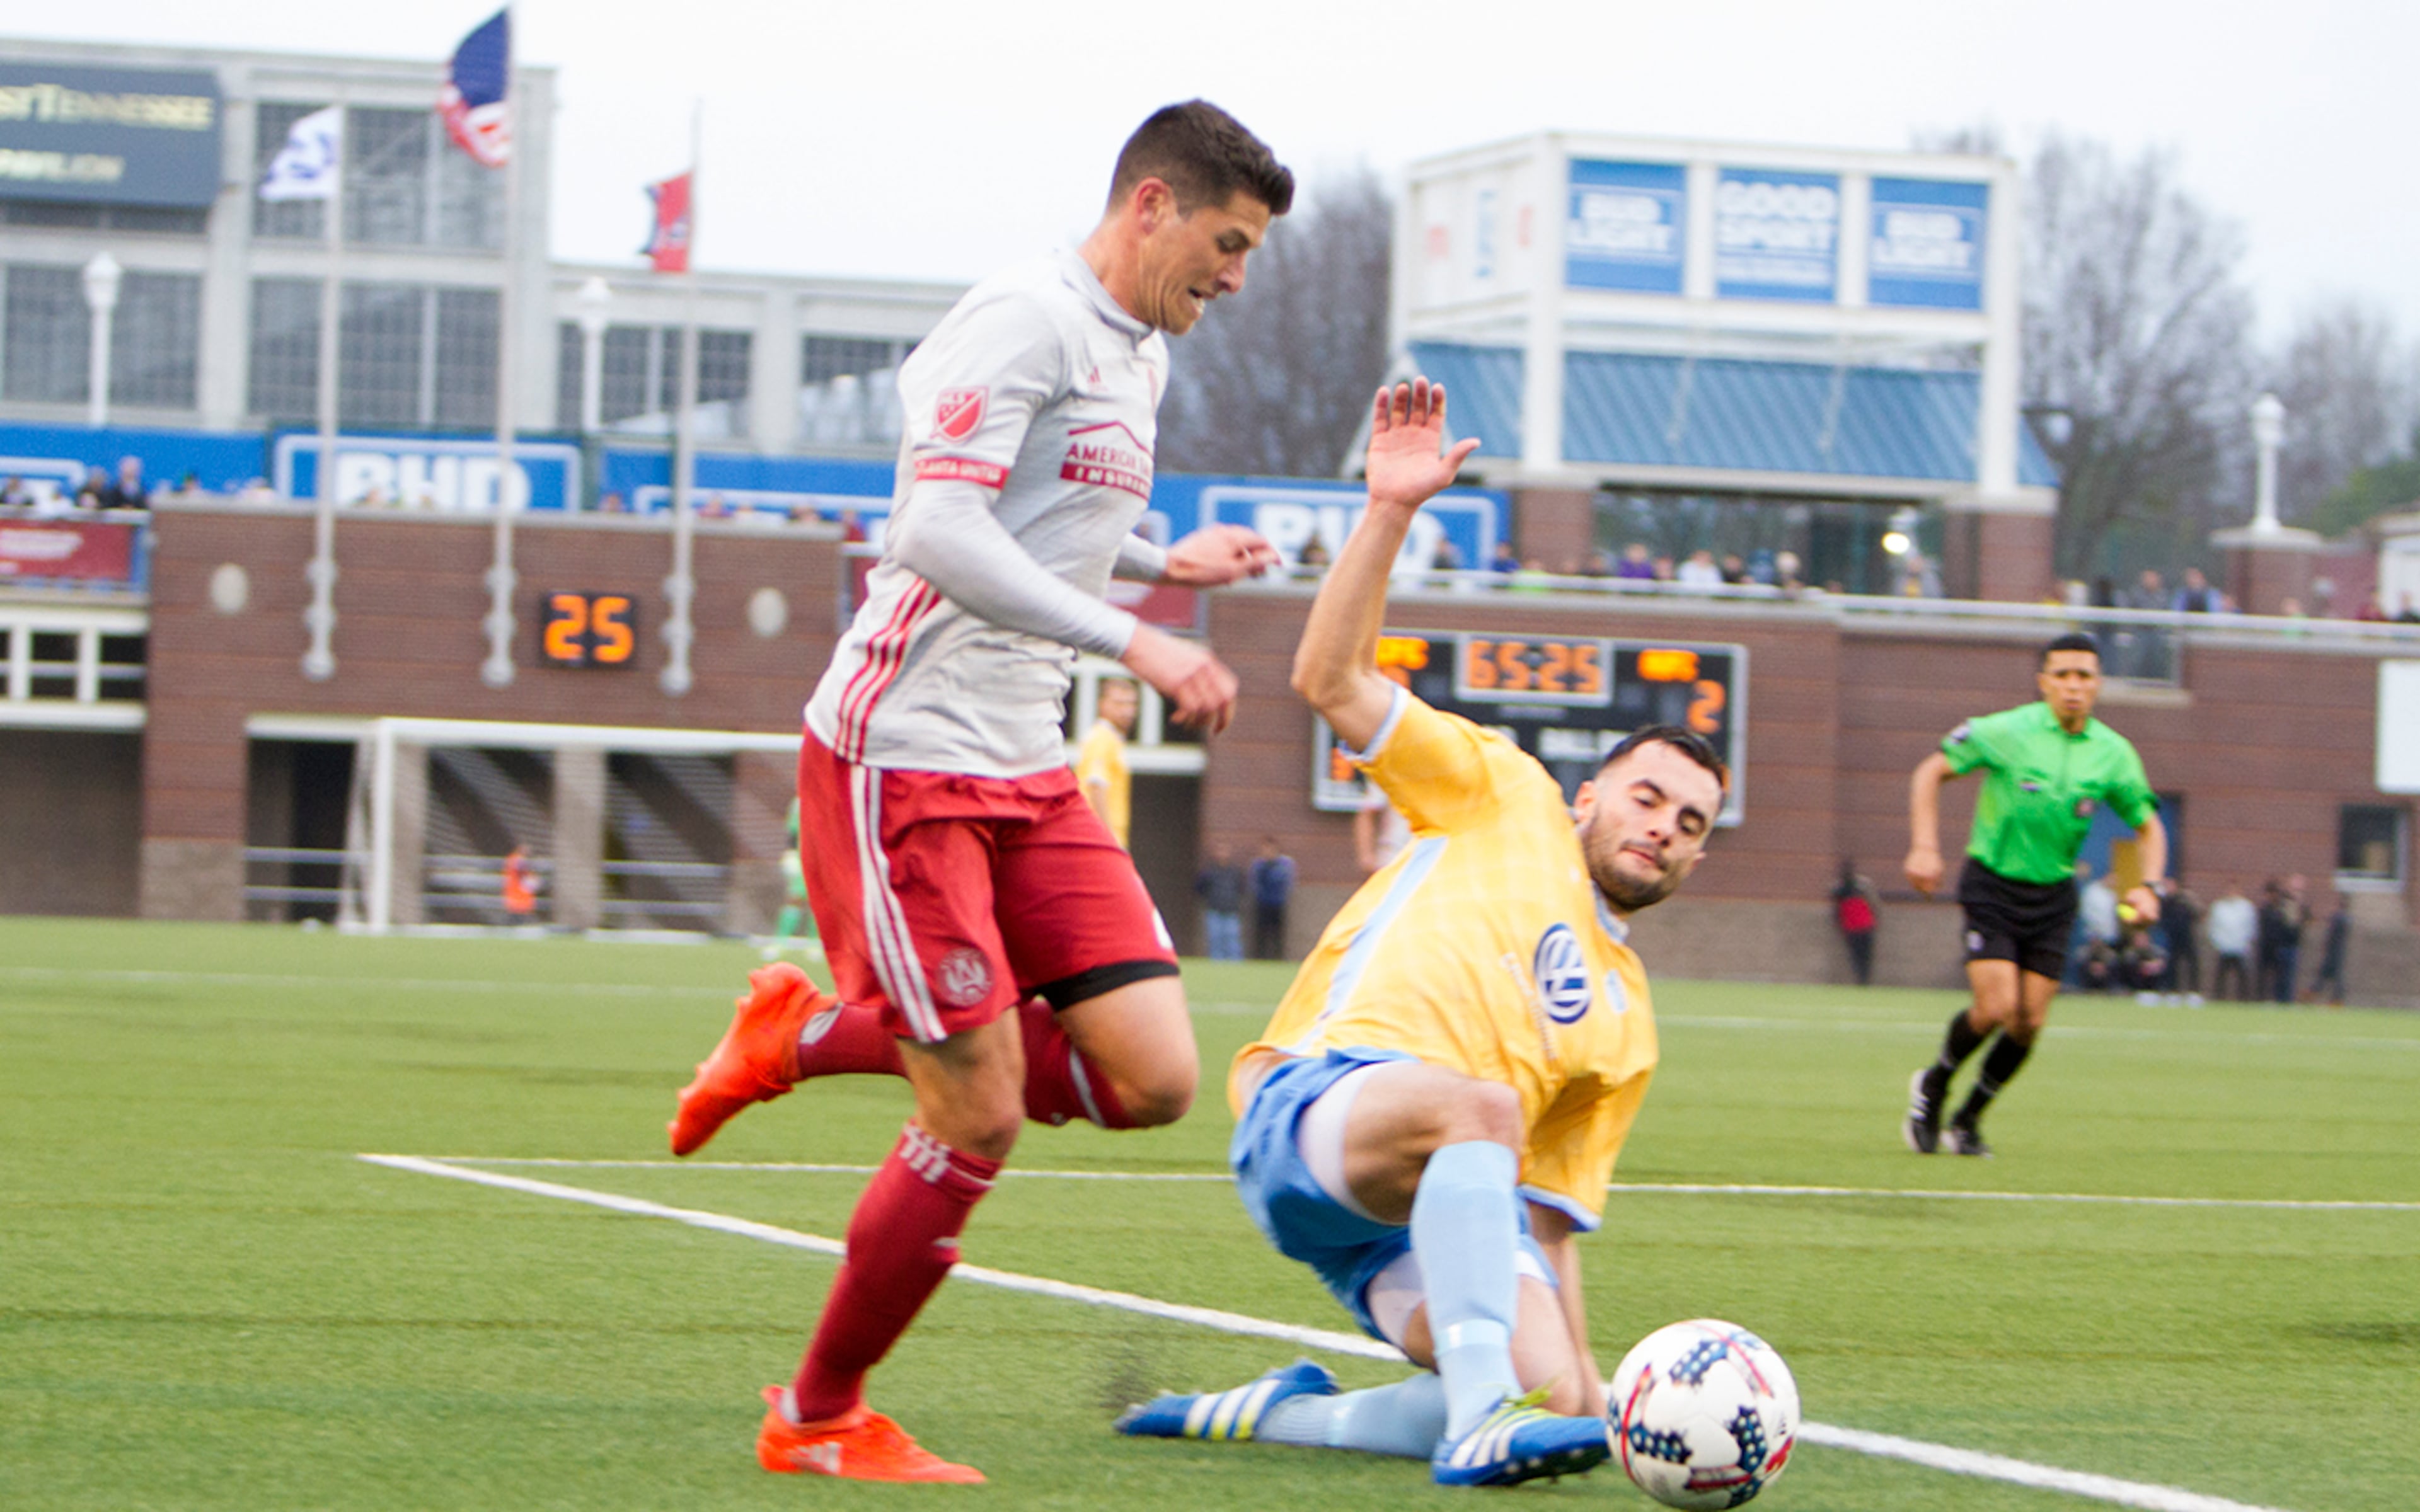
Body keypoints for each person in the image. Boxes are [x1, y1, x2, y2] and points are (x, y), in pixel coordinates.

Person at [660, 101, 1292, 1484]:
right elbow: (935, 526)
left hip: (1026, 765)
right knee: (981, 1108)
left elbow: (1052, 516)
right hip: (904, 759)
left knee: (1156, 1079)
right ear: (1151, 207)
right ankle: (816, 1416)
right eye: (1228, 244)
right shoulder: (1020, 316)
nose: (1236, 277)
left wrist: (1165, 559)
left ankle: (803, 1036)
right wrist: (1141, 637)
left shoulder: (1141, 356)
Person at [1115, 377, 1727, 1486]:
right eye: (1646, 798)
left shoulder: (1627, 1024)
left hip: (1421, 1211)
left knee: (1574, 1403)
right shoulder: (1508, 790)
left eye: (1690, 824)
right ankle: (1484, 1411)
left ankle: (1282, 1415)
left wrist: (1584, 1389)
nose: (1663, 829)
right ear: (1591, 795)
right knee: (1479, 1108)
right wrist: (1392, 508)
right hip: (1313, 1110)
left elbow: (1544, 1223)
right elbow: (1328, 678)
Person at [1903, 632, 2165, 1157]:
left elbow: (2149, 826)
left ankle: (1969, 1118)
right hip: (1993, 884)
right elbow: (1931, 771)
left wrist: (2149, 886)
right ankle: (1933, 1086)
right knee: (1997, 1006)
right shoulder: (2008, 731)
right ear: (2044, 682)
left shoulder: (2113, 754)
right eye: (2063, 675)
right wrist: (1925, 847)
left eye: (2084, 676)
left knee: (2030, 1022)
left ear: (2098, 685)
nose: (2073, 686)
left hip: (2054, 894)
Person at [1076, 677, 1139, 849]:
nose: (1128, 711)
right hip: (1100, 839)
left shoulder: (1112, 740)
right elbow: (1096, 785)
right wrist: (1109, 837)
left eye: (1131, 704)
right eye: (1119, 704)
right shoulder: (1101, 738)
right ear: (1102, 705)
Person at [1194, 839, 1246, 961]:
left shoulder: (1235, 872)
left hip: (1231, 911)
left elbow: (1242, 888)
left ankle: (1235, 965)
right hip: (1214, 911)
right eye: (1220, 850)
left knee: (1233, 940)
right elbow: (1199, 888)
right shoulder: (1209, 872)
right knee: (1215, 939)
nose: (1223, 853)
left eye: (1225, 850)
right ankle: (1217, 964)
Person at [1832, 857, 1879, 986]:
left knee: (1862, 955)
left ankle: (1864, 979)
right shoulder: (1839, 888)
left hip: (1861, 925)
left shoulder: (1861, 885)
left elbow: (1873, 904)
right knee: (1859, 955)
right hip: (1855, 926)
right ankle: (1862, 979)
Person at [2206, 881, 2257, 1000]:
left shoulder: (2246, 907)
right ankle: (2218, 998)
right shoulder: (2219, 907)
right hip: (2224, 947)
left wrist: (2246, 942)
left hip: (2240, 946)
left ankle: (2244, 1000)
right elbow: (2214, 926)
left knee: (2243, 976)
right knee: (2221, 975)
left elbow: (2250, 927)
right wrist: (2217, 942)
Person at [1248, 835, 1295, 959]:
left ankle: (1277, 958)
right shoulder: (1259, 865)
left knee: (1278, 934)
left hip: (1278, 903)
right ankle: (1259, 957)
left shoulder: (1284, 865)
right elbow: (1255, 883)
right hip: (1262, 903)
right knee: (1261, 933)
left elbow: (1287, 883)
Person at [2158, 878, 2202, 1002]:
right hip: (2173, 937)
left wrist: (2190, 901)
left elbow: (2198, 913)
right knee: (2173, 964)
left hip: (2188, 936)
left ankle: (2194, 992)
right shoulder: (2166, 901)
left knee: (2192, 962)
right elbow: (2162, 918)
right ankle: (2173, 991)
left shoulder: (2186, 900)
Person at [1354, 786, 1411, 876]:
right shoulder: (1388, 774)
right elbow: (1367, 815)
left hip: (1432, 858)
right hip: (1392, 857)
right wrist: (1367, 856)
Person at [2307, 902, 2350, 1006]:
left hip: (2334, 953)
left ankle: (2314, 994)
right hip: (2338, 952)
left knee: (2327, 975)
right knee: (2333, 976)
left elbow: (2331, 936)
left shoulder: (2338, 919)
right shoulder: (2346, 919)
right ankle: (2335, 999)